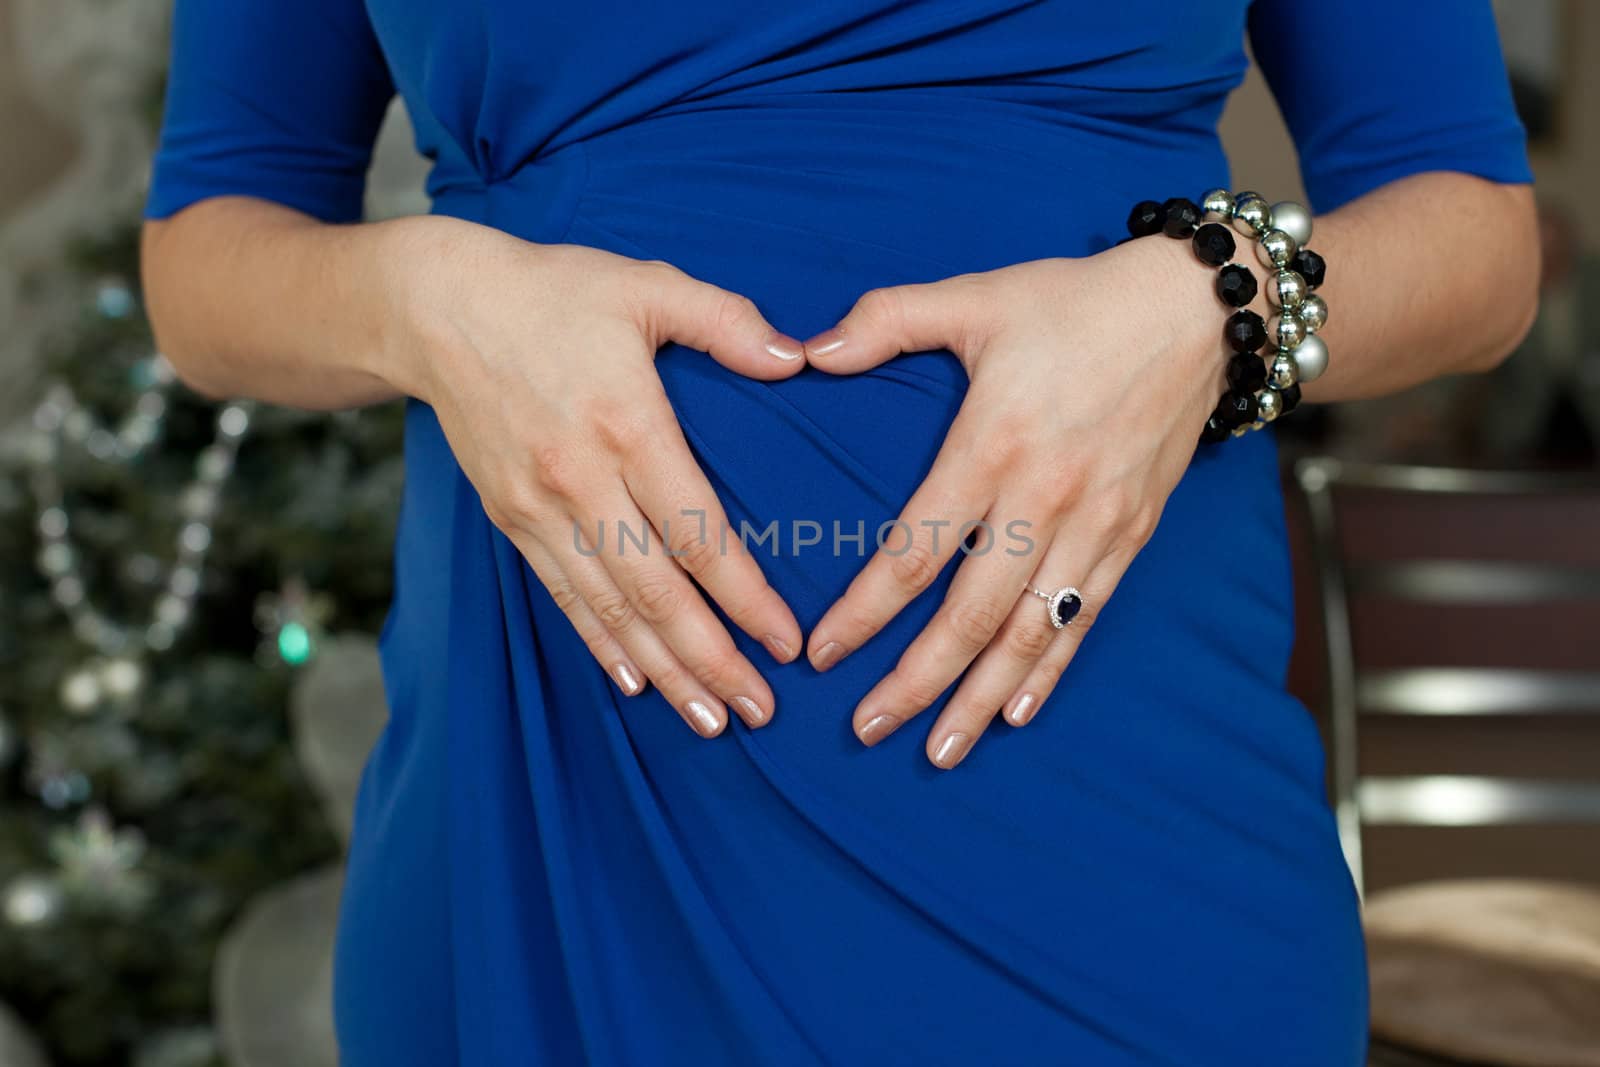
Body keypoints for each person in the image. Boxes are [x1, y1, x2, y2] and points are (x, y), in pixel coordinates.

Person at [141, 2, 1537, 1063]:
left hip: (1103, 778)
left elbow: (1474, 242)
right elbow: (206, 261)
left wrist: (1208, 303)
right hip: (560, 783)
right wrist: (425, 301)